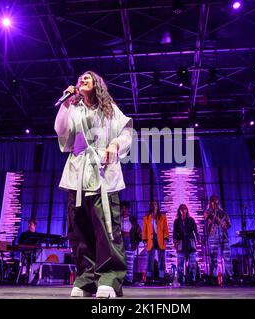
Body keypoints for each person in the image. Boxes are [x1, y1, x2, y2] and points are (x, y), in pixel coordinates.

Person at [55, 71, 133, 298]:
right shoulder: (74, 108)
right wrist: (66, 104)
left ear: (97, 84)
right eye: (80, 79)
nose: (82, 80)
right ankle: (87, 279)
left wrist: (115, 145)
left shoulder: (109, 109)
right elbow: (61, 131)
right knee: (79, 228)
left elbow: (127, 132)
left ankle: (110, 277)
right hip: (77, 173)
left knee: (106, 227)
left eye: (87, 78)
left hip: (103, 173)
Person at [204, 195, 232, 285]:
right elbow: (206, 218)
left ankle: (229, 276)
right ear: (210, 202)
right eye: (213, 201)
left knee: (227, 257)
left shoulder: (223, 213)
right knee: (213, 257)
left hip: (223, 236)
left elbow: (229, 224)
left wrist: (225, 225)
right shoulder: (208, 212)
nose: (215, 202)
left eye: (216, 201)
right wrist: (213, 214)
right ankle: (214, 277)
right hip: (213, 236)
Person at [142, 200, 169, 285]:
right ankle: (149, 278)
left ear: (158, 206)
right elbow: (144, 230)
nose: (154, 206)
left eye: (155, 204)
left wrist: (166, 238)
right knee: (150, 259)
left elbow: (165, 229)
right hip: (151, 240)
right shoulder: (146, 218)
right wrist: (145, 240)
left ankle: (161, 278)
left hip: (160, 240)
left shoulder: (162, 217)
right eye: (152, 204)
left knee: (161, 260)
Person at [173, 204, 200, 286]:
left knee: (192, 262)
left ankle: (192, 278)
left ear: (187, 210)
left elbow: (195, 230)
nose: (183, 210)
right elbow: (174, 233)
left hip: (190, 242)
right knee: (180, 262)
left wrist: (198, 239)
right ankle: (180, 279)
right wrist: (175, 242)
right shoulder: (177, 221)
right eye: (181, 208)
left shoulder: (191, 220)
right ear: (179, 210)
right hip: (181, 242)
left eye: (185, 208)